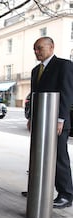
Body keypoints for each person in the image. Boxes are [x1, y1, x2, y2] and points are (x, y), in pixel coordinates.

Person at [22, 37, 73, 208]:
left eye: (39, 48)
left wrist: (60, 119)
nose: (36, 52)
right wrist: (30, 118)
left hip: (57, 122)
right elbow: (34, 95)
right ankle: (39, 188)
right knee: (38, 155)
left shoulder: (64, 65)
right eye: (34, 49)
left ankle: (66, 194)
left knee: (59, 157)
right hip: (40, 121)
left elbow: (67, 93)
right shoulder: (36, 70)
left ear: (51, 47)